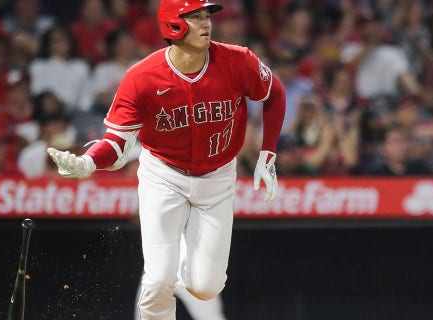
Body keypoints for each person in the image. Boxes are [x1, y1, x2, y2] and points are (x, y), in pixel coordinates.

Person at [45, 1, 286, 319]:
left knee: (206, 286)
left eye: (207, 16)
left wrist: (267, 153)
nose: (206, 24)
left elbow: (275, 94)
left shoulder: (237, 60)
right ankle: (166, 268)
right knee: (158, 278)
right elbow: (117, 142)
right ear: (173, 24)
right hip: (164, 175)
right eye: (195, 17)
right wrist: (89, 162)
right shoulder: (142, 77)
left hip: (217, 177)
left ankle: (181, 256)